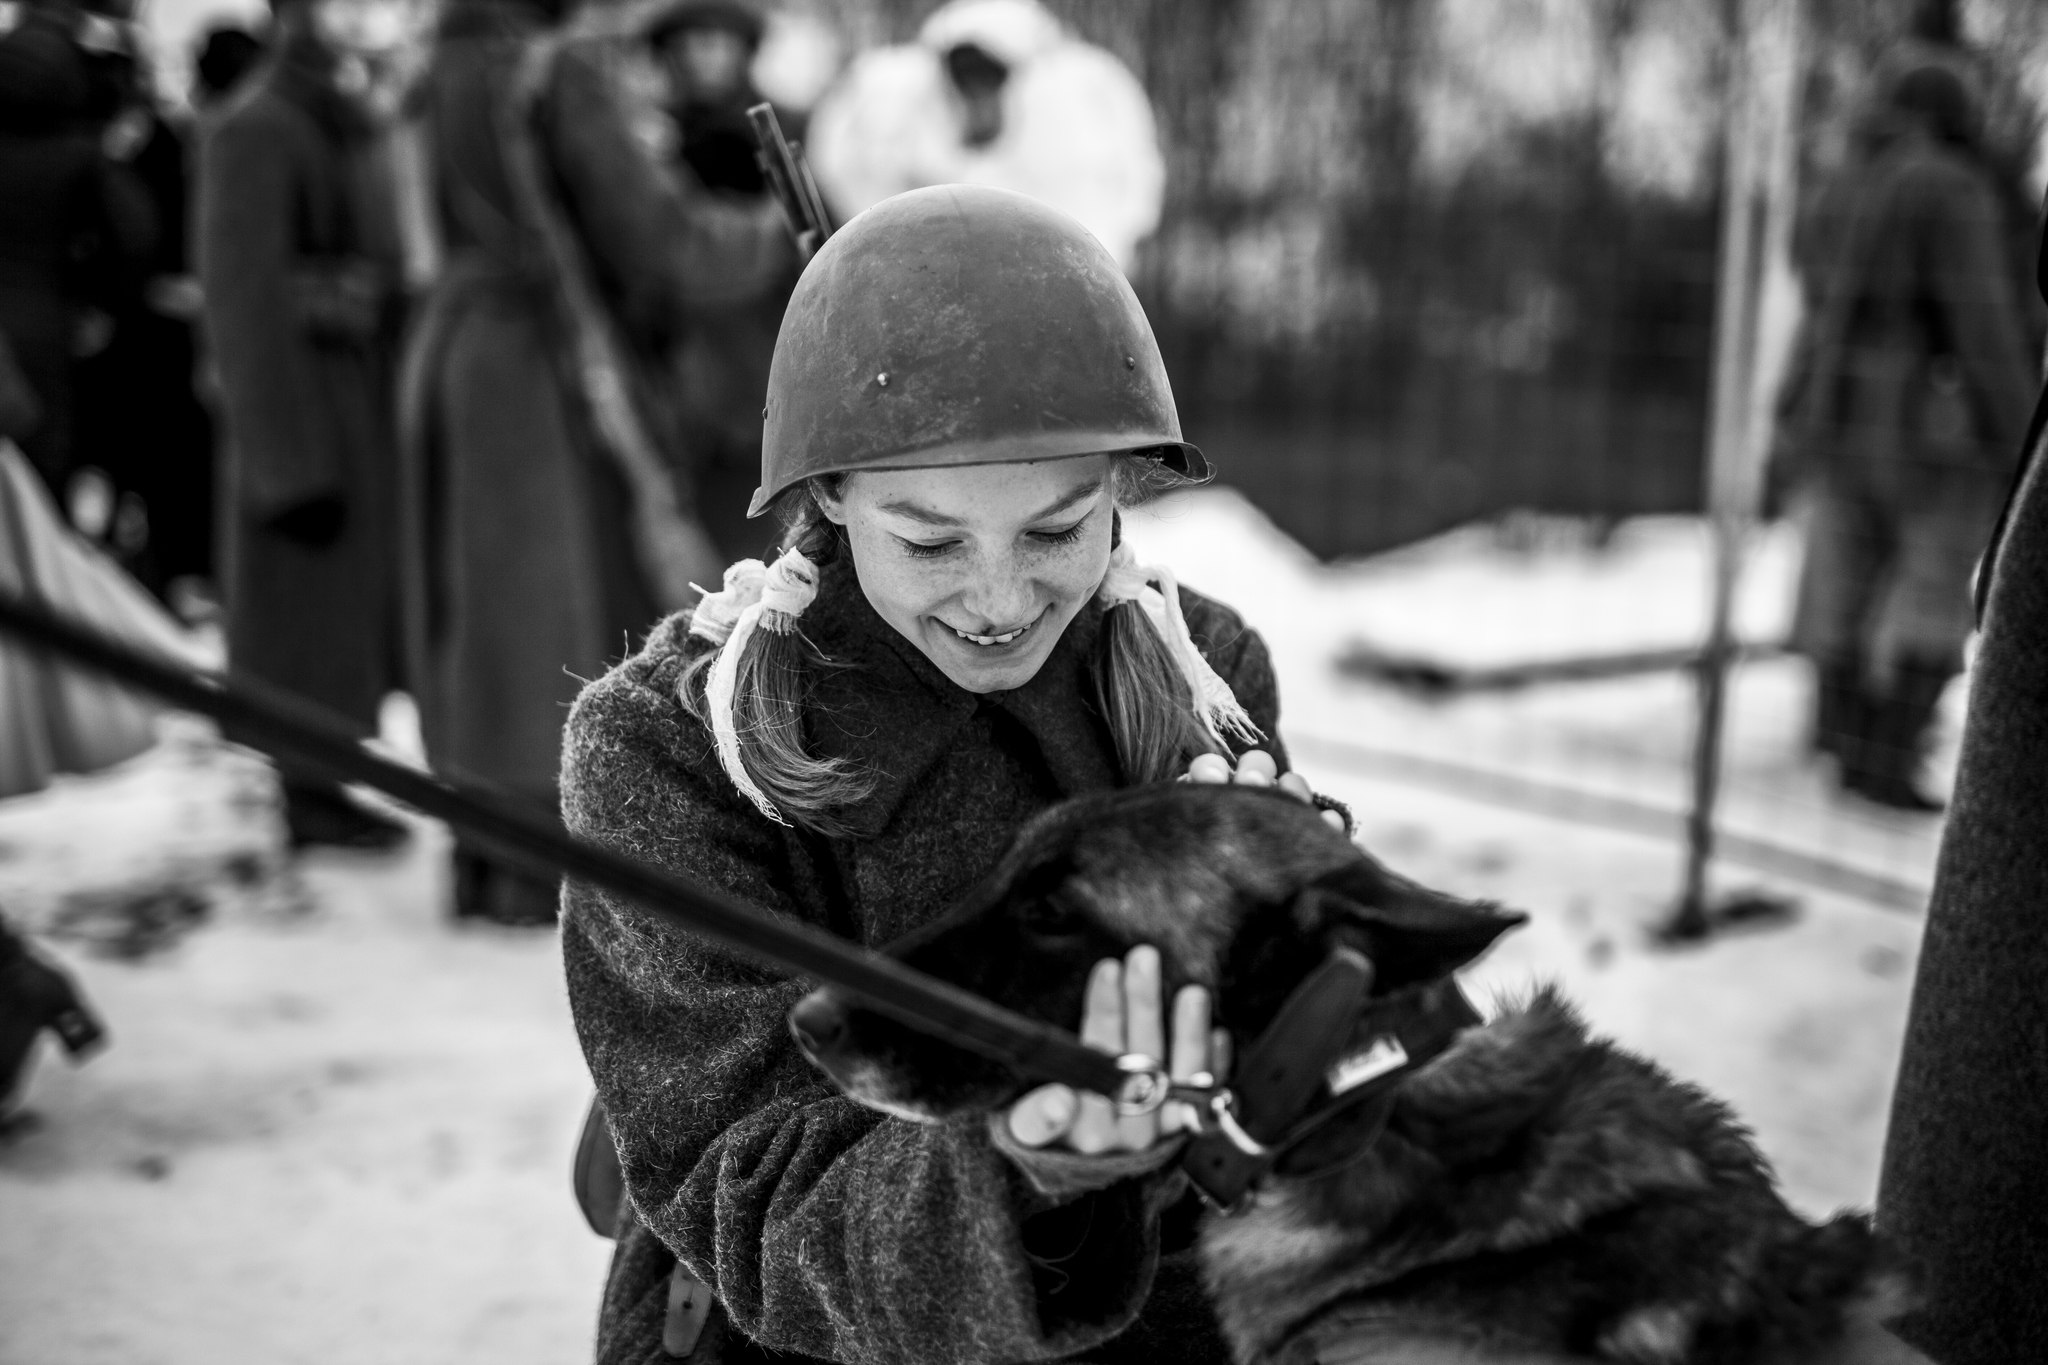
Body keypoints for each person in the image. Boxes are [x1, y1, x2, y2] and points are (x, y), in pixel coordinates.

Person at [561, 185, 1343, 1364]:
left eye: (1055, 530)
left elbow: (1276, 1129)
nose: (997, 601)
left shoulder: (1206, 675)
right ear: (828, 495)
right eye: (928, 541)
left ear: (1119, 490)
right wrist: (1022, 1172)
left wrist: (1289, 973)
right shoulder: (661, 747)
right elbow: (753, 1193)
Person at [397, 0, 787, 922]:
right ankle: (541, 852)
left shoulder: (439, 59)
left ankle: (485, 848)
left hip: (447, 348)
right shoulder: (558, 67)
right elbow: (663, 242)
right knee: (548, 611)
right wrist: (790, 226)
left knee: (481, 613)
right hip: (538, 360)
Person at [1875, 142, 2048, 1365]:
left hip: (1855, 400)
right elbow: (1988, 305)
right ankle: (1878, 736)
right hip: (1933, 402)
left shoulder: (1857, 170)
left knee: (1858, 585)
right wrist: (1999, 406)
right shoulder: (1954, 184)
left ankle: (1859, 729)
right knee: (1926, 590)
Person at [1780, 60, 2036, 812]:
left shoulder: (1842, 180)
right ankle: (1884, 758)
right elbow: (1983, 322)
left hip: (1840, 405)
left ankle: (1840, 736)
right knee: (1930, 578)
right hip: (1928, 417)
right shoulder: (1950, 187)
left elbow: (1815, 298)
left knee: (1846, 575)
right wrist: (2023, 435)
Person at [197, 0, 410, 849]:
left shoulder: (342, 115)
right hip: (299, 410)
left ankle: (326, 776)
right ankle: (308, 790)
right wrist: (285, 461)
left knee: (339, 621)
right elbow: (240, 302)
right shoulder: (257, 126)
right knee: (302, 619)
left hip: (349, 401)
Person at [806, 0, 1164, 273]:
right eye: (967, 83)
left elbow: (1122, 207)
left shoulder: (1073, 134)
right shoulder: (907, 133)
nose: (978, 99)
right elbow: (849, 172)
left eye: (988, 81)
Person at [0, 4, 156, 500]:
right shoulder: (80, 155)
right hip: (48, 323)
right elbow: (136, 235)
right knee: (40, 486)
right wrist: (106, 303)